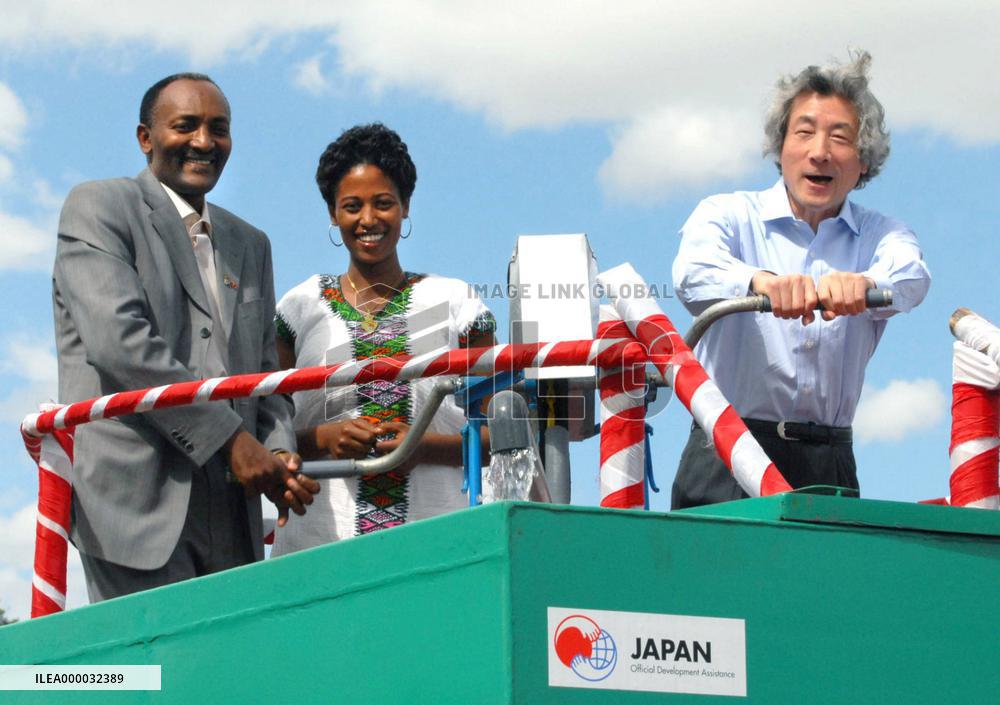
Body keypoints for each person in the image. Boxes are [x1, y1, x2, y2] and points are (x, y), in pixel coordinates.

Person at [53, 73, 319, 600]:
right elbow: (121, 344)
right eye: (185, 126)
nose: (204, 141)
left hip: (233, 506)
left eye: (218, 128)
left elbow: (267, 375)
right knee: (149, 677)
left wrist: (278, 450)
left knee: (224, 674)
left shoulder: (251, 243)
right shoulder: (100, 207)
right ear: (145, 138)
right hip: (138, 504)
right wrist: (233, 441)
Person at [671, 51, 931, 509]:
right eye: (805, 132)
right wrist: (760, 282)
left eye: (840, 137)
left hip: (829, 462)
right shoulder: (726, 214)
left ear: (863, 161)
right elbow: (692, 273)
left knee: (827, 582)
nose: (819, 151)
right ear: (781, 147)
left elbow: (912, 278)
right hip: (725, 455)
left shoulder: (882, 234)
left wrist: (863, 284)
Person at [271, 123, 495, 554]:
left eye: (384, 204)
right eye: (352, 206)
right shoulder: (298, 309)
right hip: (319, 544)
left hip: (432, 542)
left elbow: (502, 435)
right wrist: (324, 438)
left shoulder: (456, 303)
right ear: (333, 214)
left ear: (406, 206)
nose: (369, 220)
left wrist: (422, 446)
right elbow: (264, 431)